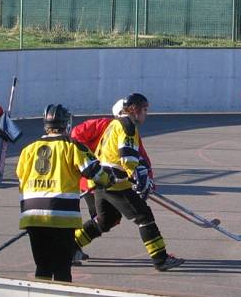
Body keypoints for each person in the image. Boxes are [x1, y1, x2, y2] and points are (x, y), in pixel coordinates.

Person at [73, 93, 184, 271]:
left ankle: (70, 247)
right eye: (145, 110)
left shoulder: (114, 125)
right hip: (115, 184)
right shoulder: (127, 125)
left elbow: (121, 156)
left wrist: (141, 176)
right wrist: (139, 177)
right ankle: (160, 259)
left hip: (102, 182)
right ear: (134, 110)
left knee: (106, 220)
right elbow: (127, 157)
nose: (146, 114)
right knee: (144, 216)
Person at [16, 103, 115, 282]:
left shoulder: (27, 150)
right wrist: (111, 178)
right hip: (61, 215)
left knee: (43, 266)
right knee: (62, 268)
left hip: (32, 215)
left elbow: (21, 178)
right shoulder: (73, 146)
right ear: (66, 124)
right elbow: (97, 173)